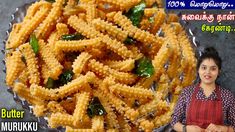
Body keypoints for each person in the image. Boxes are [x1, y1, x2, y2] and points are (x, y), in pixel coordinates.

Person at [171, 47, 235, 132]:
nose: (208, 72)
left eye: (213, 68)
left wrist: (222, 128)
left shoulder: (227, 96)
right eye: (204, 68)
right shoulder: (187, 92)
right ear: (198, 70)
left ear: (218, 71)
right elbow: (174, 121)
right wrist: (186, 129)